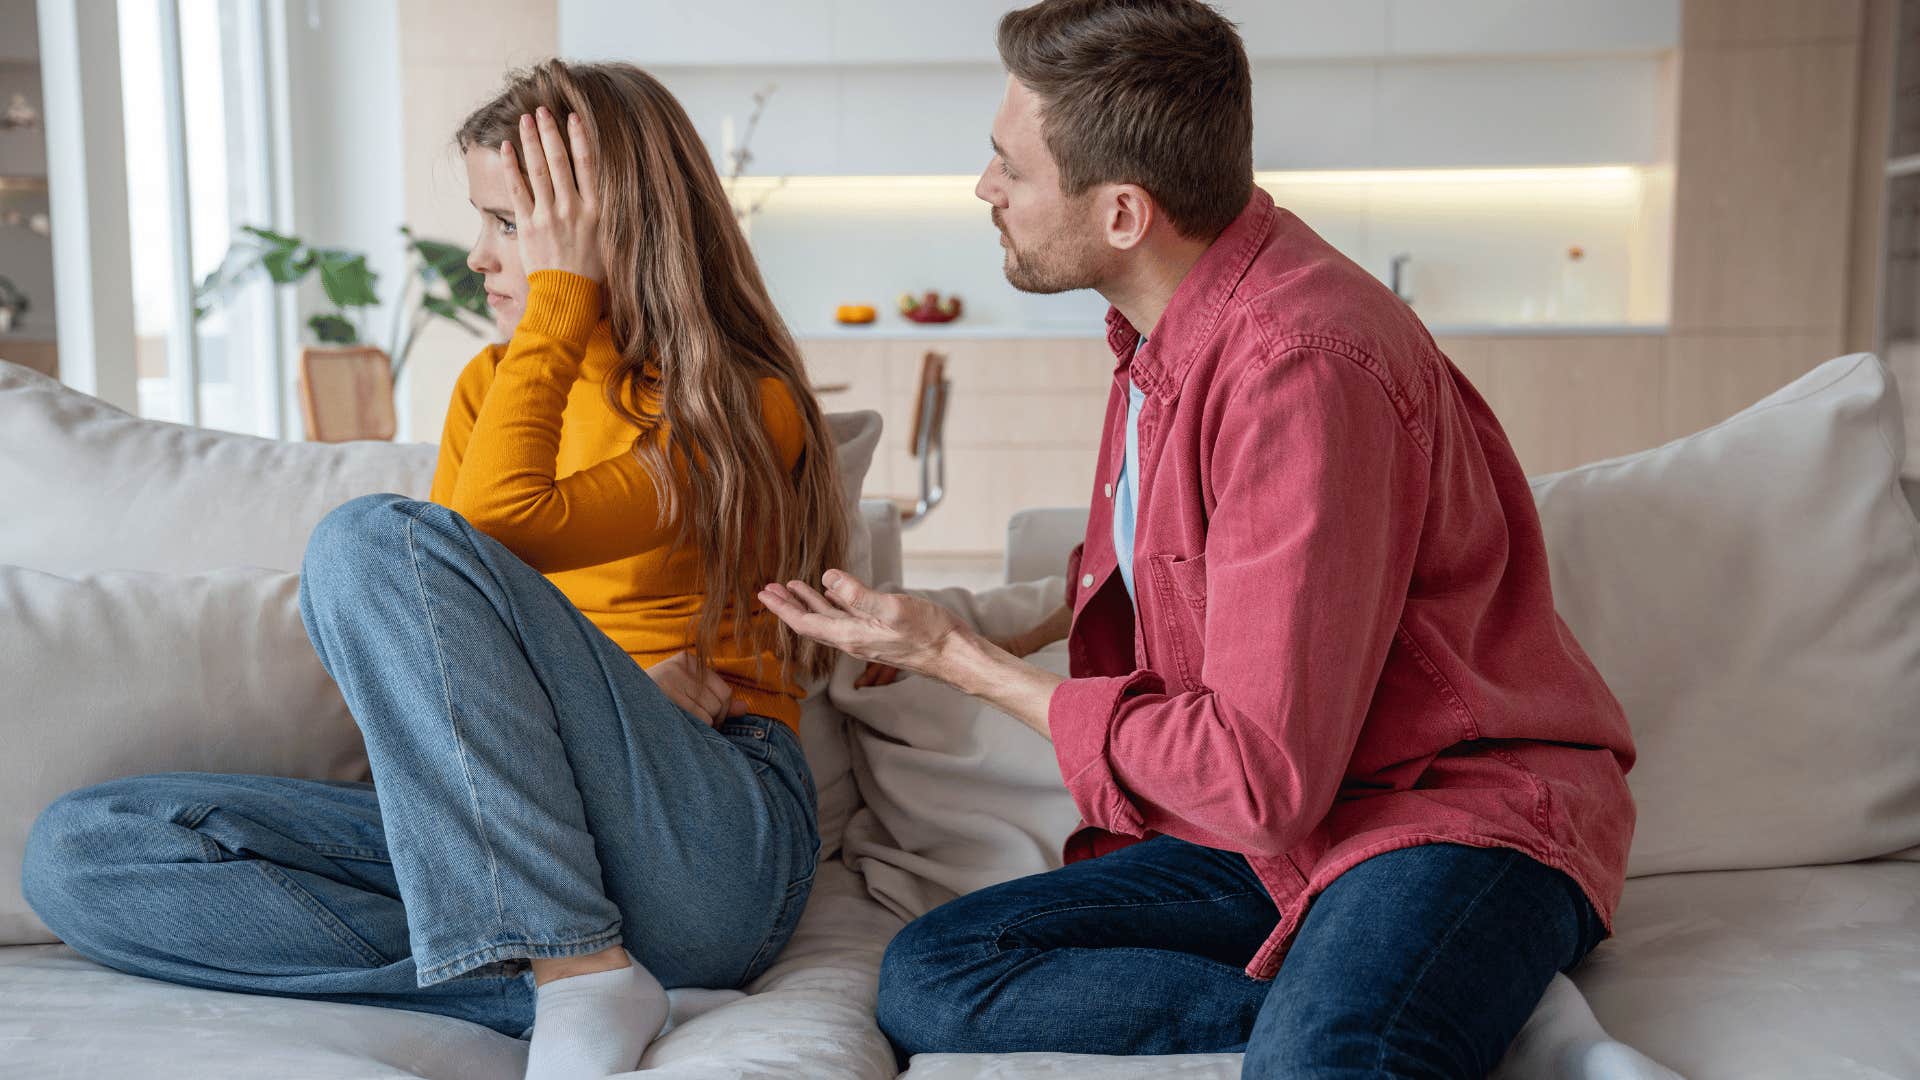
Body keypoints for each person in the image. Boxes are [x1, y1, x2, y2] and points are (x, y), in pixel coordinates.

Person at [759, 1, 1637, 1075]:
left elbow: (1258, 775)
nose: (986, 189)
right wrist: (944, 624)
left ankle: (1392, 1000)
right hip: (1277, 844)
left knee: (1329, 1060)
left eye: (1009, 167)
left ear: (1124, 211)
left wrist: (958, 661)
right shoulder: (1167, 333)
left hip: (1441, 812)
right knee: (937, 971)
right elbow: (1153, 572)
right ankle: (1406, 998)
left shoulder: (1299, 368)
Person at [24, 59, 845, 1079]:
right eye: (485, 221)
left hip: (701, 834)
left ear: (610, 230)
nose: (479, 256)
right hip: (515, 835)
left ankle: (582, 974)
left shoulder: (733, 402)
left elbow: (495, 528)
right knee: (81, 852)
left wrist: (560, 306)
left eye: (511, 224)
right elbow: (448, 627)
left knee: (369, 537)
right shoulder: (492, 386)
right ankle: (568, 978)